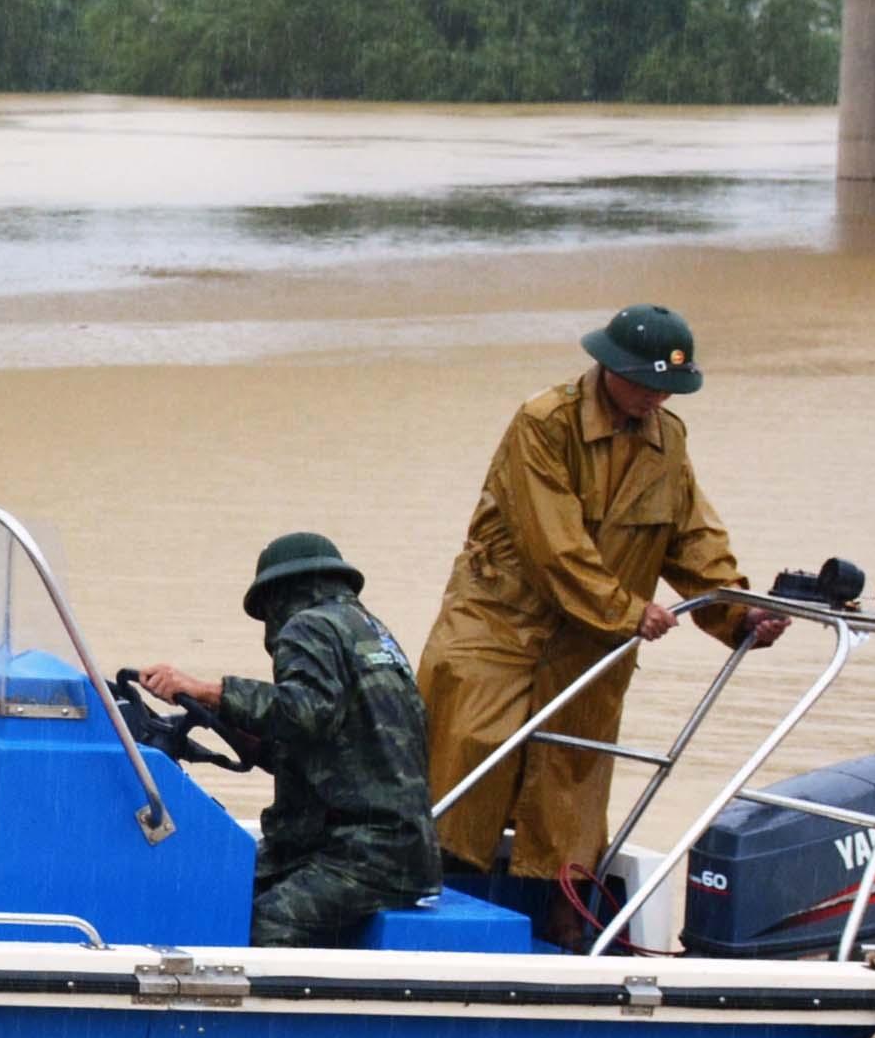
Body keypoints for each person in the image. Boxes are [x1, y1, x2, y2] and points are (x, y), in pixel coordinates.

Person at [418, 305, 785, 927]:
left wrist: (739, 614)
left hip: (591, 651)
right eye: (645, 382)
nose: (656, 396)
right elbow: (551, 542)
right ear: (606, 366)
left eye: (669, 387)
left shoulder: (667, 440)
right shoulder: (544, 422)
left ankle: (569, 953)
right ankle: (432, 930)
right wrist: (623, 609)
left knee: (569, 818)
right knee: (460, 787)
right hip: (498, 632)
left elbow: (692, 538)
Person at [141, 533, 442, 948]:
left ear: (277, 595)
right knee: (221, 884)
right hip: (395, 846)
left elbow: (306, 711)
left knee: (263, 923)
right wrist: (245, 737)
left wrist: (209, 690)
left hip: (361, 854)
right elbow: (339, 741)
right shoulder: (368, 632)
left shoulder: (308, 625)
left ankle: (267, 1010)